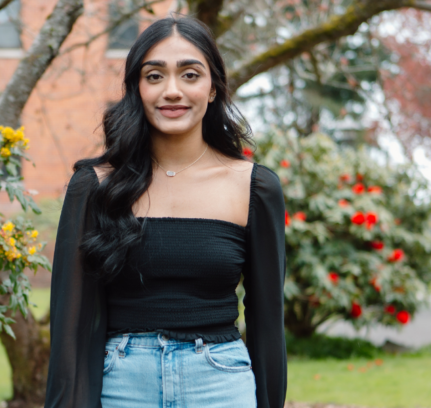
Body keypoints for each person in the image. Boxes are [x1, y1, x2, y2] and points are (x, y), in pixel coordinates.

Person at [43, 15, 287, 408]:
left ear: (212, 89)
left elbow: (268, 320)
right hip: (120, 383)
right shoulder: (96, 185)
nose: (172, 91)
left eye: (190, 75)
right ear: (137, 88)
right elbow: (69, 328)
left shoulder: (254, 187)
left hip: (221, 383)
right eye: (154, 76)